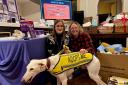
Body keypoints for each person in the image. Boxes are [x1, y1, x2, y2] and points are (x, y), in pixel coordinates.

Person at [46, 19, 68, 85]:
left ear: (64, 28)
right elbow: (49, 52)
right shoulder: (49, 38)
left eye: (61, 26)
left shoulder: (67, 37)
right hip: (54, 62)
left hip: (64, 62)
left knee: (64, 80)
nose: (59, 28)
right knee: (54, 81)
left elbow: (68, 50)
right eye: (57, 26)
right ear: (54, 27)